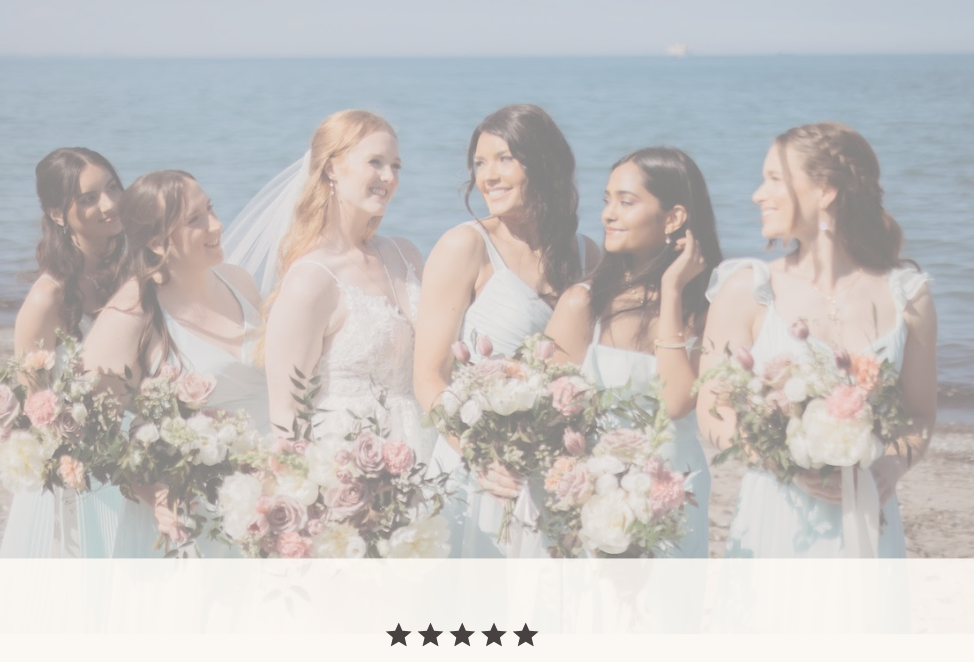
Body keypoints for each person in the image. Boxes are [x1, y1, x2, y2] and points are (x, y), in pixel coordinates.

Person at [697, 121, 936, 558]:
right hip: (776, 518)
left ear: (825, 191)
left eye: (774, 179)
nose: (757, 194)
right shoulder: (747, 288)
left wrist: (891, 464)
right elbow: (712, 413)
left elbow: (919, 414)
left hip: (866, 518)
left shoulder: (907, 296)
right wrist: (780, 461)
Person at [414, 103, 600, 557]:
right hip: (481, 470)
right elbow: (428, 377)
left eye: (504, 159)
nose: (488, 176)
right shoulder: (465, 246)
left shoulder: (586, 254)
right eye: (479, 163)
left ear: (542, 164)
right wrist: (480, 455)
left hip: (557, 470)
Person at [545, 146, 722, 558]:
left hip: (676, 492)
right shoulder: (583, 304)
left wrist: (673, 292)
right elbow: (549, 420)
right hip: (595, 499)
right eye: (607, 200)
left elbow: (676, 402)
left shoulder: (705, 311)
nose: (608, 214)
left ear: (674, 218)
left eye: (626, 202)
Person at [83, 170, 264, 556]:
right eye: (194, 219)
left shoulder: (240, 282)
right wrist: (157, 495)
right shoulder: (130, 315)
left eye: (210, 209)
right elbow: (96, 438)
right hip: (192, 512)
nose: (215, 225)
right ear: (155, 240)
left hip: (267, 501)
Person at [229, 110, 427, 457]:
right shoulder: (312, 279)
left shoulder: (406, 255)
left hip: (424, 447)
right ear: (332, 168)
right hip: (348, 463)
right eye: (375, 162)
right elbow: (286, 415)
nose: (388, 176)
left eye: (396, 166)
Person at [0, 147, 126, 558]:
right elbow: (35, 408)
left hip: (137, 452)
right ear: (57, 213)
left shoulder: (131, 273)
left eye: (112, 188)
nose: (108, 205)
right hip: (82, 471)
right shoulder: (46, 299)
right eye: (88, 199)